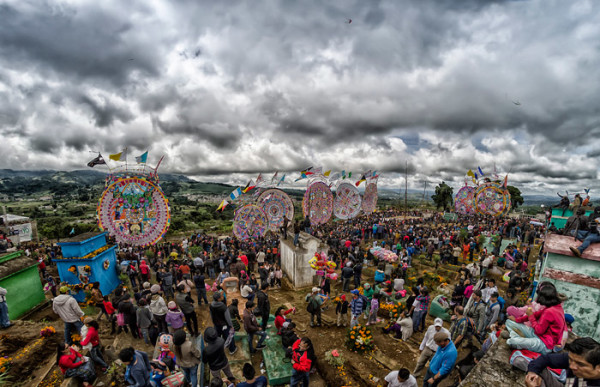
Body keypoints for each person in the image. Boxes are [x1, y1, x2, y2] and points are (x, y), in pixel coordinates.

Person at [506, 282, 566, 355]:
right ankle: (519, 338)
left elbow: (539, 330)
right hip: (538, 335)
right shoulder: (553, 306)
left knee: (510, 341)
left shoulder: (550, 311)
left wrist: (531, 316)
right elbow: (536, 315)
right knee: (508, 322)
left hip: (545, 345)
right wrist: (517, 320)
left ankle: (516, 338)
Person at [525, 337, 600, 387]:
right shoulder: (575, 360)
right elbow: (546, 359)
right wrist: (532, 373)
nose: (571, 366)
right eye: (570, 359)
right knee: (537, 371)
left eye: (580, 364)